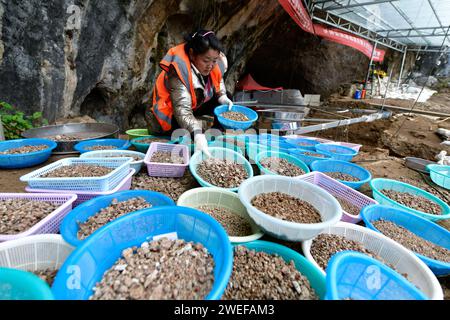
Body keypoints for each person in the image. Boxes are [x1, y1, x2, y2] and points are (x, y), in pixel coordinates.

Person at [145, 29, 233, 156]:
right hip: (171, 113)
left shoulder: (214, 63)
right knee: (181, 140)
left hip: (195, 103)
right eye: (206, 60)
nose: (210, 66)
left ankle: (215, 134)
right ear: (192, 54)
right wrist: (197, 134)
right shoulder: (178, 70)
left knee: (227, 98)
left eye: (214, 61)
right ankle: (181, 138)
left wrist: (222, 96)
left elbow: (218, 80)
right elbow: (181, 109)